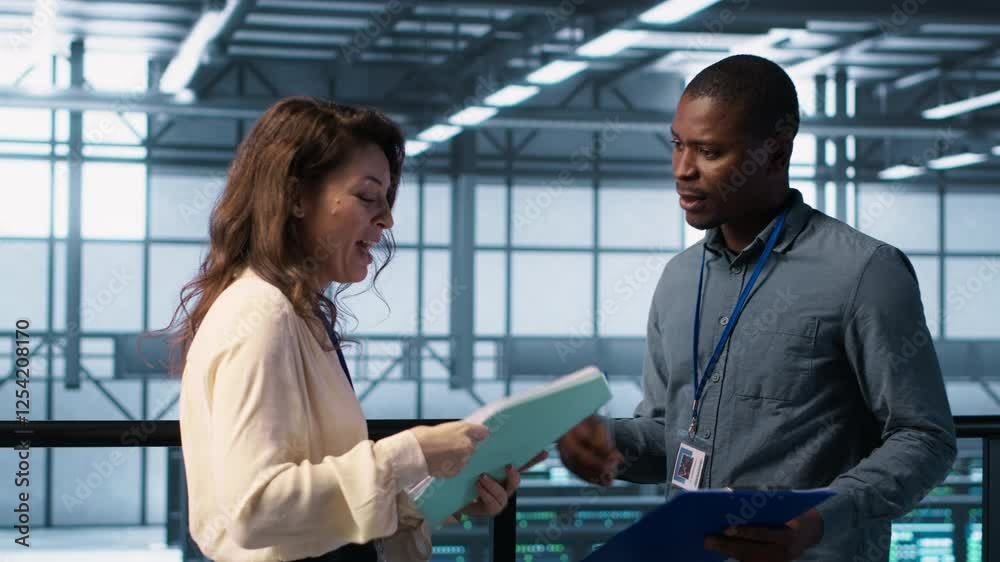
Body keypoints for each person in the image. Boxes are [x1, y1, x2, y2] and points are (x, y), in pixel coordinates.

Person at [557, 55, 957, 562]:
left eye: (709, 151)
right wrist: (606, 443)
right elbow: (672, 432)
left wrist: (819, 520)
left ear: (775, 153)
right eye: (678, 144)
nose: (683, 170)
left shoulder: (866, 273)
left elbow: (925, 438)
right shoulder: (679, 279)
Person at [171, 97, 536, 562]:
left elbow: (309, 510)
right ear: (297, 197)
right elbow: (255, 508)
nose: (386, 219)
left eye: (386, 199)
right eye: (367, 197)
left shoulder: (297, 312)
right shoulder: (264, 315)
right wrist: (412, 451)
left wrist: (430, 500)